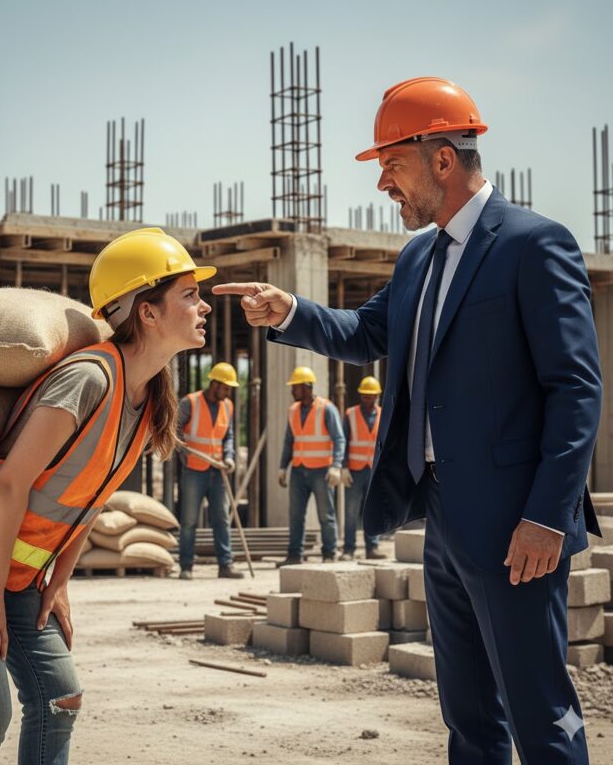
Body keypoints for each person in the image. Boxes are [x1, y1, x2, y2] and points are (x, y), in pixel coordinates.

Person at [215, 77, 602, 764]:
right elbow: (368, 330)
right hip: (444, 519)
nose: (384, 185)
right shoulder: (421, 254)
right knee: (469, 720)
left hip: (518, 527)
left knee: (540, 718)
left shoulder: (534, 245)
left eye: (392, 165)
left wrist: (547, 514)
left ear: (442, 158)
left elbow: (575, 388)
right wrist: (292, 313)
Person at [0, 227, 216, 765]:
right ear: (148, 311)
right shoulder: (88, 378)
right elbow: (10, 484)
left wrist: (60, 580)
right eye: (189, 294)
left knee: (59, 699)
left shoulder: (148, 402)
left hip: (17, 574)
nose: (203, 305)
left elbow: (88, 503)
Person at [177, 361, 244, 580]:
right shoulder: (190, 402)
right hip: (194, 470)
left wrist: (229, 457)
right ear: (214, 384)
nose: (227, 392)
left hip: (218, 472)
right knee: (189, 520)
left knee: (222, 519)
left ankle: (226, 565)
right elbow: (173, 430)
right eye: (225, 388)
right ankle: (186, 566)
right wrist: (184, 454)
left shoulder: (228, 406)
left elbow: (229, 437)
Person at [277, 366, 345, 566]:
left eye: (295, 387)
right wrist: (283, 467)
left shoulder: (326, 408)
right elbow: (289, 441)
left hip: (322, 471)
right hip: (298, 470)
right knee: (296, 516)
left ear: (306, 387)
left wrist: (336, 466)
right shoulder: (293, 410)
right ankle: (294, 555)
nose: (292, 391)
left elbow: (339, 439)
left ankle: (329, 554)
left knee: (326, 515)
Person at [341, 375, 386, 560]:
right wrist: (343, 467)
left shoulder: (383, 414)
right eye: (365, 396)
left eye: (371, 396)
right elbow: (343, 441)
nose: (368, 399)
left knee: (374, 510)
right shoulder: (350, 414)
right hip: (354, 470)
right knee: (351, 512)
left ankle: (372, 547)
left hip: (374, 471)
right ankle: (349, 549)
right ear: (361, 396)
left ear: (377, 396)